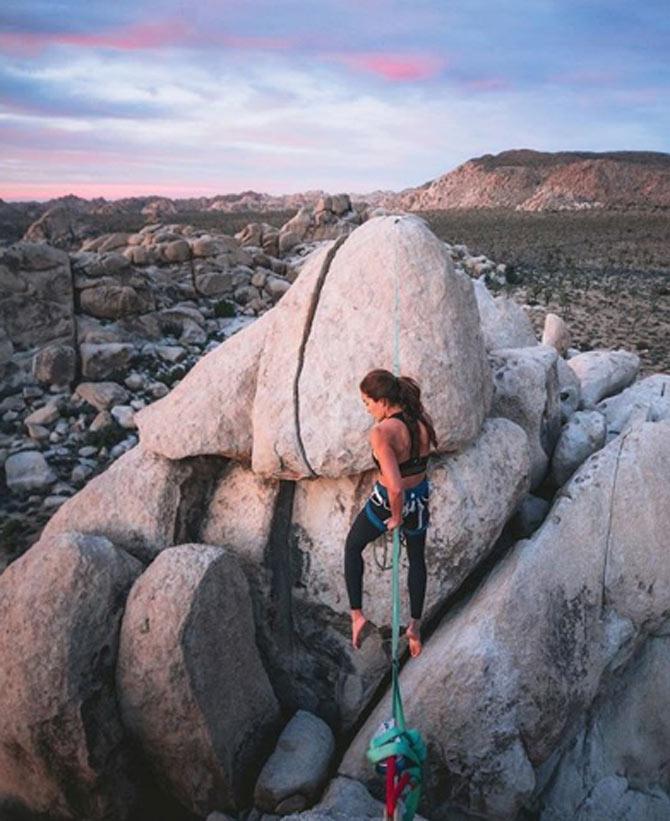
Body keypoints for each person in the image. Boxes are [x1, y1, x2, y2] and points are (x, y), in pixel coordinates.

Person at [345, 369, 438, 658]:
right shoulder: (422, 420)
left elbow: (395, 487)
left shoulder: (382, 432)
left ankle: (357, 615)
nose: (368, 409)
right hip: (420, 500)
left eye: (368, 402)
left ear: (383, 401)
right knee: (416, 559)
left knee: (353, 546)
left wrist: (395, 516)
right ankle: (415, 625)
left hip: (388, 502)